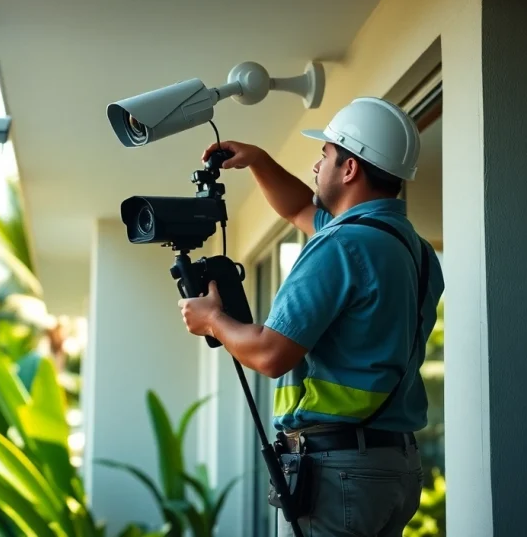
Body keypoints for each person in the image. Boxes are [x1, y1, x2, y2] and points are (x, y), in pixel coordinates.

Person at [178, 97, 445, 537]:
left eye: (325, 154)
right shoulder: (413, 249)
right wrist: (259, 161)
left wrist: (213, 322)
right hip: (392, 466)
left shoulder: (342, 245)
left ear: (350, 168)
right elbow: (300, 210)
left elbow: (270, 355)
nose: (315, 166)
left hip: (339, 471)